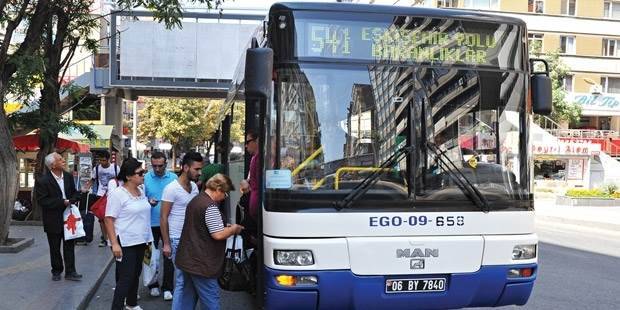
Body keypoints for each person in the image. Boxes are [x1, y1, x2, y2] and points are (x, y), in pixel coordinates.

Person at [175, 174, 243, 309]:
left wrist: (224, 227)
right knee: (210, 300)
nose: (225, 197)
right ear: (218, 189)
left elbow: (201, 226)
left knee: (187, 298)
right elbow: (217, 234)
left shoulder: (196, 200)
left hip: (188, 259)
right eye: (225, 193)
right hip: (202, 264)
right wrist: (233, 229)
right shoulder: (210, 206)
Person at [104, 158, 153, 310]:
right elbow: (108, 219)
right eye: (140, 173)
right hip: (125, 241)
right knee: (125, 278)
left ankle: (131, 303)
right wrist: (114, 244)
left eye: (143, 172)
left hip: (141, 240)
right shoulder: (118, 194)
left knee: (135, 274)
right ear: (129, 176)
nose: (143, 175)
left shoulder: (141, 190)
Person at [160, 151, 203, 309]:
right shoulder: (171, 188)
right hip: (177, 239)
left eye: (200, 169)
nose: (199, 173)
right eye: (196, 169)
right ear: (185, 167)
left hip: (192, 240)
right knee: (181, 281)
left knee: (190, 280)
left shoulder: (193, 187)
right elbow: (163, 217)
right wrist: (166, 244)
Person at [34, 152, 83, 281]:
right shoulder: (43, 181)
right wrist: (63, 202)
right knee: (54, 247)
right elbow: (43, 201)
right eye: (60, 159)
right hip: (52, 218)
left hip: (68, 217)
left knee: (69, 245)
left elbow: (73, 193)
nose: (64, 161)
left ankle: (70, 271)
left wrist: (77, 196)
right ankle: (56, 271)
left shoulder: (67, 176)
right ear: (52, 165)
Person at [143, 151, 177, 300]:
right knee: (150, 257)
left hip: (169, 223)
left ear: (166, 164)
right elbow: (138, 199)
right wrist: (147, 202)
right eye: (154, 166)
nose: (157, 169)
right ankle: (153, 284)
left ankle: (168, 287)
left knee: (168, 255)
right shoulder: (145, 178)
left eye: (160, 166)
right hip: (150, 223)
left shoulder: (174, 178)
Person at [91, 151, 120, 247]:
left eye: (104, 160)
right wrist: (86, 189)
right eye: (100, 160)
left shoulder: (115, 168)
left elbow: (120, 181)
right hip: (100, 195)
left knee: (113, 217)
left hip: (113, 195)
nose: (102, 162)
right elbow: (92, 180)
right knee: (102, 219)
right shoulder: (97, 169)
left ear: (109, 160)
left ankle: (113, 236)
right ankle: (104, 238)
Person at [240, 131, 260, 220]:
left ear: (257, 141)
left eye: (248, 142)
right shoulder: (254, 158)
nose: (246, 146)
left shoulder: (259, 158)